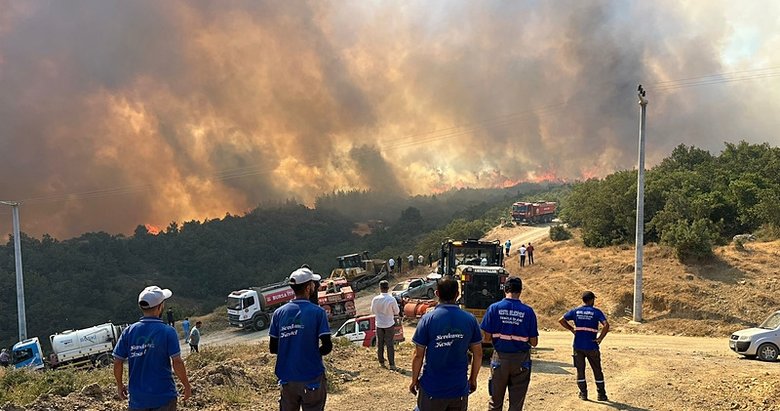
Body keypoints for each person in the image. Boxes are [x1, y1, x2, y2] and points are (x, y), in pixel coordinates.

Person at [113, 286, 192, 411]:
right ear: (160, 307)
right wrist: (186, 386)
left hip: (138, 400)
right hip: (164, 397)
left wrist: (119, 385)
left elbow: (117, 362)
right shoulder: (168, 331)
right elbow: (177, 362)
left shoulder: (128, 332)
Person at [410, 278, 482, 411]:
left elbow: (418, 355)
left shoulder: (428, 319)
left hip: (432, 389)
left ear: (437, 293)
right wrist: (473, 379)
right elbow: (478, 354)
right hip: (458, 390)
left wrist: (414, 380)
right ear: (457, 294)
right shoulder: (470, 319)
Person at [269, 267, 332, 411]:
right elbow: (327, 346)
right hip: (312, 377)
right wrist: (311, 353)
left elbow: (273, 348)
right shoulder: (318, 312)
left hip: (287, 378)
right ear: (309, 287)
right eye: (313, 284)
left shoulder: (278, 313)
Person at [480, 277, 539, 411]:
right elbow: (534, 342)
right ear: (520, 291)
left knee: (495, 402)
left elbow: (487, 338)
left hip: (499, 359)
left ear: (505, 289)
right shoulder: (528, 312)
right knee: (516, 405)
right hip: (521, 361)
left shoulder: (493, 309)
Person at [558, 291, 610, 402]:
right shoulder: (596, 312)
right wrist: (600, 338)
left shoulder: (575, 311)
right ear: (591, 300)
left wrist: (572, 329)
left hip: (578, 346)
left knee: (580, 370)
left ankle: (583, 394)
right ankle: (601, 394)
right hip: (592, 346)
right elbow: (606, 325)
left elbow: (561, 320)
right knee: (597, 370)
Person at [370, 280, 400, 370]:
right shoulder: (391, 299)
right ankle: (392, 364)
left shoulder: (375, 299)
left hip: (379, 324)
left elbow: (372, 311)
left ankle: (381, 362)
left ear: (380, 288)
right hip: (389, 324)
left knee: (380, 344)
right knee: (390, 344)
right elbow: (397, 311)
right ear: (388, 288)